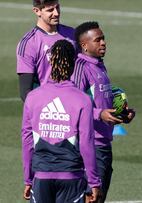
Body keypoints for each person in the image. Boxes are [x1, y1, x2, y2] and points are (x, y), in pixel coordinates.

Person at [21, 40, 101, 203]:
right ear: (73, 63)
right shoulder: (82, 100)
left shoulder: (33, 97)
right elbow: (87, 143)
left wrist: (28, 179)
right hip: (71, 177)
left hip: (41, 178)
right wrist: (93, 181)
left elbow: (27, 140)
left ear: (50, 61)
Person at [71, 21, 135, 202]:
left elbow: (101, 99)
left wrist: (123, 113)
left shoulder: (99, 65)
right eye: (97, 40)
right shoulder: (80, 67)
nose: (103, 43)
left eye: (103, 38)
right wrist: (99, 114)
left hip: (103, 144)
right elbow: (72, 105)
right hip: (89, 147)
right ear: (84, 45)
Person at [16, 0, 75, 101]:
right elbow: (25, 92)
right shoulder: (29, 43)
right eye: (50, 10)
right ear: (37, 11)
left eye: (57, 7)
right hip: (50, 107)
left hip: (74, 102)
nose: (56, 13)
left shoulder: (73, 34)